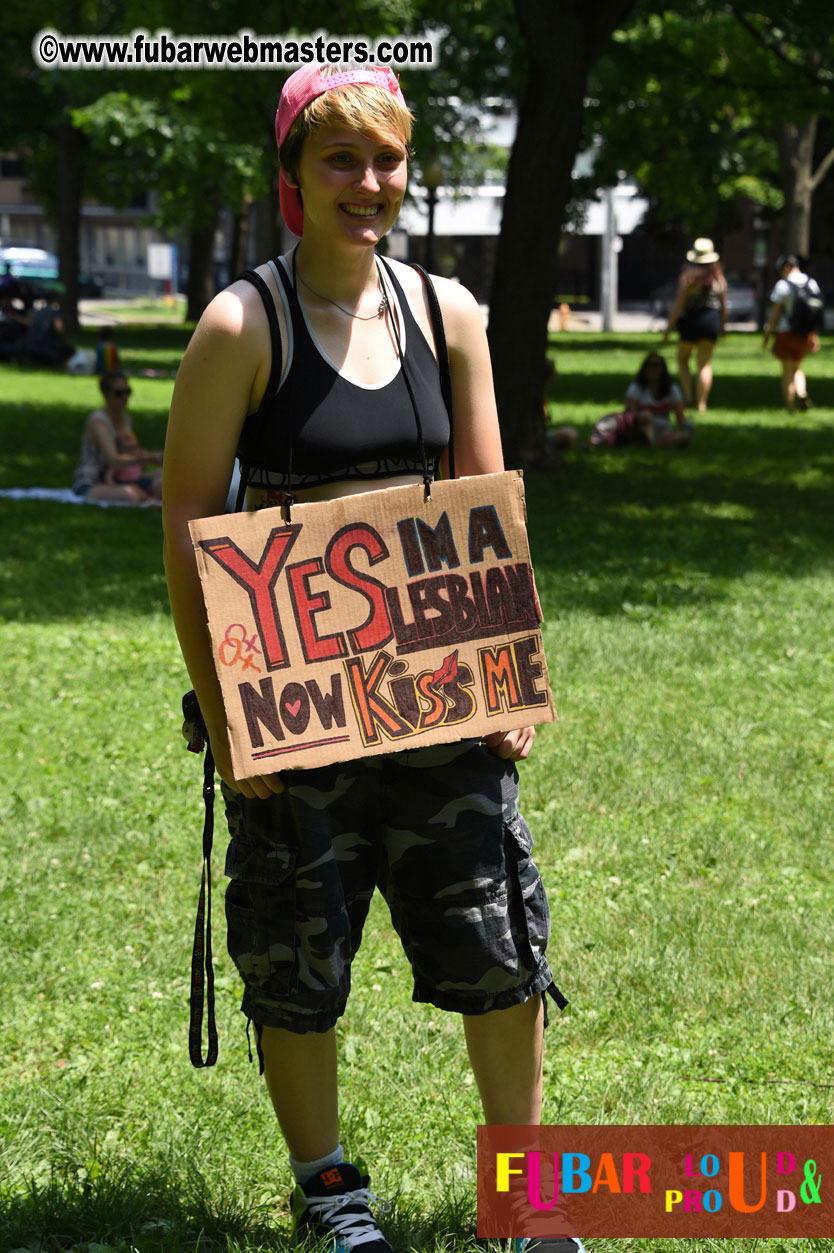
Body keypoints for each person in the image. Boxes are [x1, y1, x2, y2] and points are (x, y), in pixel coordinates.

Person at [162, 64, 578, 1253]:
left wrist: (509, 670)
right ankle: (331, 1189)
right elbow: (189, 527)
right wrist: (226, 716)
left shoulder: (449, 315)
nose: (369, 182)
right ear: (293, 176)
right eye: (340, 158)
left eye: (386, 158)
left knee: (497, 939)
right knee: (298, 953)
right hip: (293, 705)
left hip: (440, 690)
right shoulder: (243, 325)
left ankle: (525, 1196)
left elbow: (487, 500)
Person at [72, 371, 163, 502]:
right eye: (118, 393)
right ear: (105, 395)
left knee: (167, 479)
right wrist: (149, 458)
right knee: (130, 494)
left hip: (123, 478)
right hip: (94, 481)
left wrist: (152, 456)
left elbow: (130, 452)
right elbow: (113, 460)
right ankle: (147, 496)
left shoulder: (126, 418)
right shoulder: (98, 423)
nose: (124, 397)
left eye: (128, 391)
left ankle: (147, 494)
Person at [662, 237, 727, 413]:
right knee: (704, 365)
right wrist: (723, 326)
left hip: (691, 321)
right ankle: (702, 404)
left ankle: (688, 395)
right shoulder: (718, 278)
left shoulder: (688, 278)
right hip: (711, 321)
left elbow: (679, 305)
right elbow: (723, 307)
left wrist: (667, 330)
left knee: (682, 359)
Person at [589, 353, 691, 448]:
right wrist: (644, 417)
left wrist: (687, 429)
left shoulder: (671, 389)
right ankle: (651, 444)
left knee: (683, 438)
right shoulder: (636, 388)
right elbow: (629, 415)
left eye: (656, 365)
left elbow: (680, 417)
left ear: (663, 368)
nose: (652, 368)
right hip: (641, 431)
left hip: (664, 433)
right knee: (645, 415)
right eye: (648, 365)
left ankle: (654, 444)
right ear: (644, 368)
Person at [762, 254, 823, 413]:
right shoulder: (811, 283)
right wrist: (814, 335)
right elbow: (815, 312)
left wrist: (767, 336)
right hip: (804, 334)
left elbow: (775, 316)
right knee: (797, 367)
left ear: (786, 267)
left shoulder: (782, 285)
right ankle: (801, 392)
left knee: (787, 371)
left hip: (785, 333)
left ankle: (790, 408)